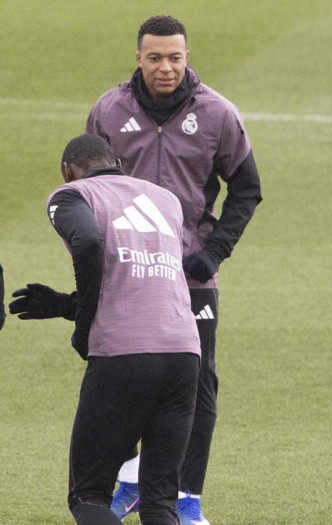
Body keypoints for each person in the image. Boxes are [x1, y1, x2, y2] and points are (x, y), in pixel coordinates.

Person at [84, 15, 262, 523]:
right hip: (127, 271)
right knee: (123, 379)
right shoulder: (108, 110)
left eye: (175, 57)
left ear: (188, 56)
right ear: (138, 57)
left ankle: (186, 498)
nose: (166, 67)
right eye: (156, 57)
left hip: (191, 275)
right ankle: (128, 480)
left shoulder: (217, 114)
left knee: (198, 381)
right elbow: (87, 188)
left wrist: (213, 253)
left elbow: (246, 188)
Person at [7, 134, 199, 525]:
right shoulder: (165, 200)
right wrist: (66, 304)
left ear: (67, 170)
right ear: (118, 164)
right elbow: (139, 283)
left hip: (123, 355)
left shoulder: (71, 195)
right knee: (160, 502)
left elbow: (89, 243)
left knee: (89, 496)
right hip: (183, 354)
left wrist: (82, 327)